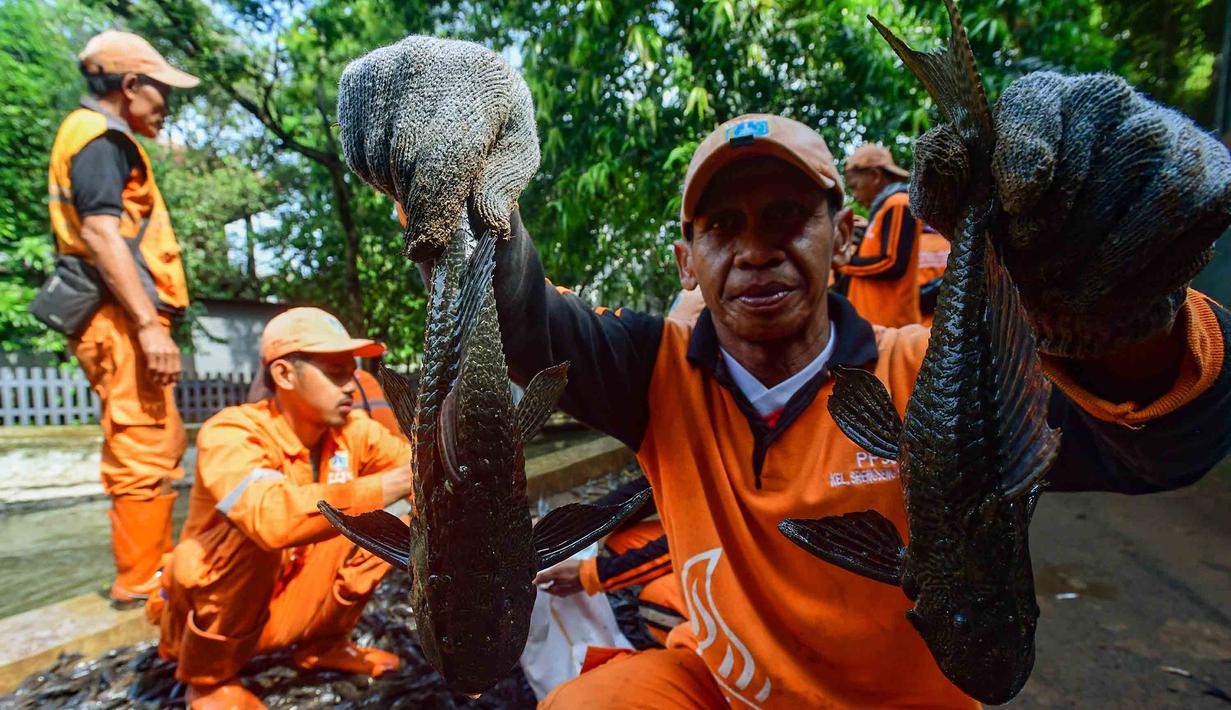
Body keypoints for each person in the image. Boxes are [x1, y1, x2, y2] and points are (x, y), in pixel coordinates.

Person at [336, 39, 1231, 709]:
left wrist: (1114, 322)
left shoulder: (923, 374)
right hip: (724, 687)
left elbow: (1156, 440)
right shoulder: (650, 370)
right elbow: (522, 318)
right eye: (723, 226)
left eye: (786, 215)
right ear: (686, 259)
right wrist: (467, 181)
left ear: (841, 236)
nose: (755, 248)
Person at [153, 307, 414, 710]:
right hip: (213, 620)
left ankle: (323, 644)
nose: (352, 385)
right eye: (336, 372)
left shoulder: (354, 431)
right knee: (250, 532)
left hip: (290, 604)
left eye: (353, 371)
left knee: (393, 521)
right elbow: (271, 520)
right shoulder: (231, 432)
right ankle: (208, 682)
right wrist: (397, 482)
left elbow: (419, 468)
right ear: (284, 375)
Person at [45, 31, 199, 606]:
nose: (167, 105)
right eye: (162, 92)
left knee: (160, 438)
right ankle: (139, 581)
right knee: (141, 441)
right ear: (130, 86)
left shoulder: (101, 138)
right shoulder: (100, 138)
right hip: (120, 319)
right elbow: (100, 233)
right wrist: (149, 325)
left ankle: (153, 569)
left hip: (122, 319)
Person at [534, 477, 686, 648]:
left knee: (658, 603)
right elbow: (657, 485)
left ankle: (687, 654)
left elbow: (692, 541)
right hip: (697, 533)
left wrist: (593, 574)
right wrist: (573, 524)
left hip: (716, 550)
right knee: (621, 544)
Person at [838, 143, 926, 327]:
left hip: (889, 325)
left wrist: (844, 263)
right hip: (873, 323)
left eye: (854, 186)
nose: (854, 195)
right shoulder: (883, 208)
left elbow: (892, 264)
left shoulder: (898, 204)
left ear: (875, 176)